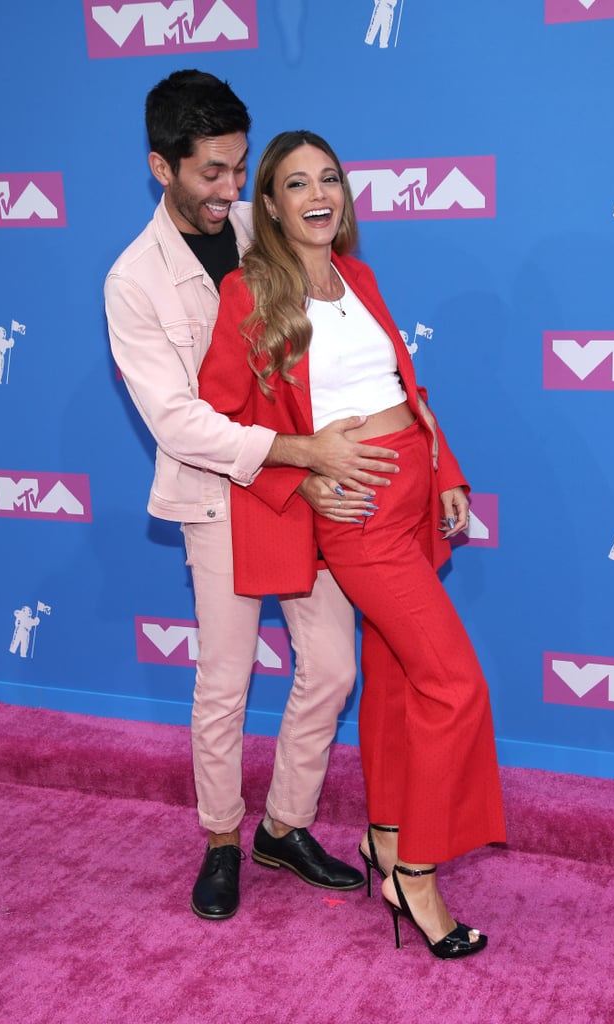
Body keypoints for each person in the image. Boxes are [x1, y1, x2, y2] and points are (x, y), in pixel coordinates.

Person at [198, 130, 508, 959]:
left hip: (414, 489)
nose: (316, 195)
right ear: (269, 205)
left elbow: (403, 388)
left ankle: (382, 832)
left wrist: (446, 469)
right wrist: (297, 480)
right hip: (358, 509)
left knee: (403, 682)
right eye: (295, 184)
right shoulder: (246, 294)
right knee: (452, 683)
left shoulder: (356, 275)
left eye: (328, 178)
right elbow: (219, 420)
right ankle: (417, 871)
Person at [104, 74, 402, 922]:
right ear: (162, 167)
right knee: (225, 682)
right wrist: (295, 451)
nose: (231, 190)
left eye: (241, 169)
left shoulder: (261, 222)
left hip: (308, 488)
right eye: (212, 173)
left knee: (333, 666)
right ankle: (223, 840)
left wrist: (321, 456)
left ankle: (286, 824)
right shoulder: (133, 281)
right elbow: (178, 421)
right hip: (218, 492)